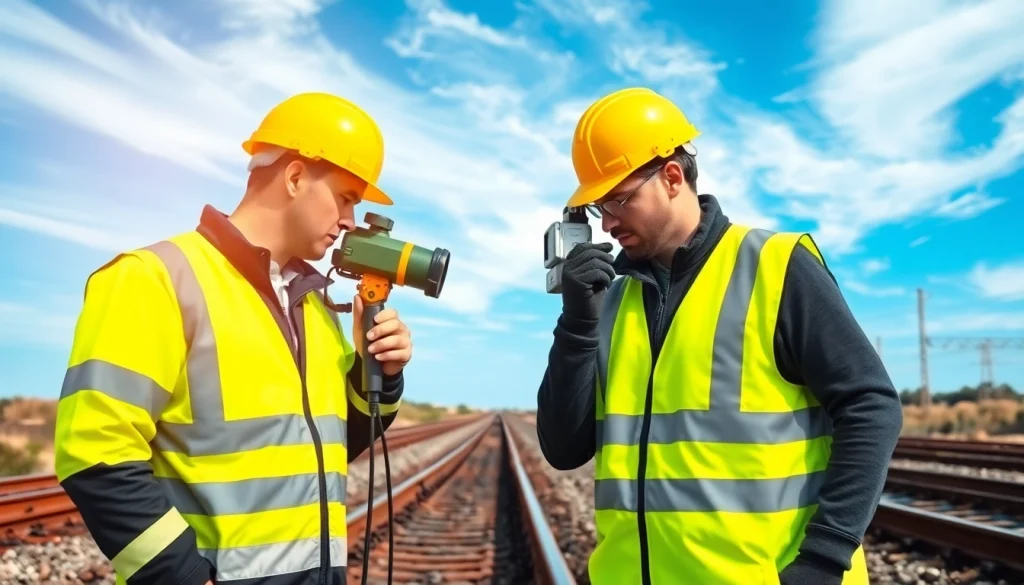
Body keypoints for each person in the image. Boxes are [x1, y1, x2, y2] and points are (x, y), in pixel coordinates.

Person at [535, 87, 903, 585]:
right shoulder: (611, 300)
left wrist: (823, 559)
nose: (610, 221)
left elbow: (871, 405)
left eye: (619, 199)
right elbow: (563, 449)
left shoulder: (774, 266)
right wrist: (577, 323)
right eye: (600, 207)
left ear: (671, 177)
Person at [53, 92, 415, 585]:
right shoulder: (155, 278)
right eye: (347, 198)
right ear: (294, 177)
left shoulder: (313, 306)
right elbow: (95, 453)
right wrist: (182, 577)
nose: (350, 222)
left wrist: (382, 377)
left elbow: (333, 445)